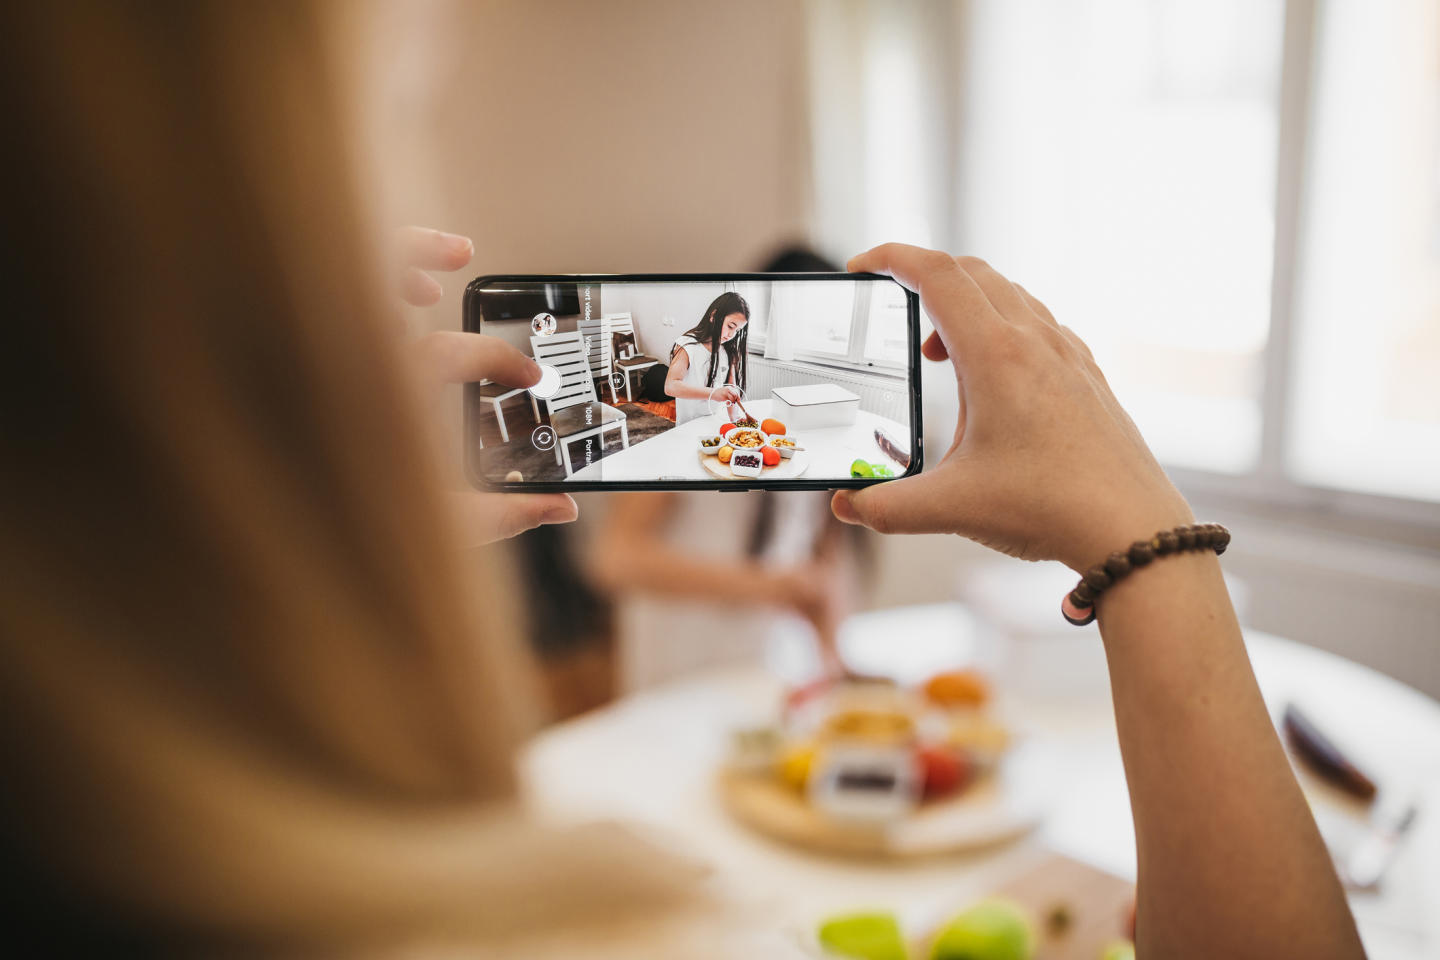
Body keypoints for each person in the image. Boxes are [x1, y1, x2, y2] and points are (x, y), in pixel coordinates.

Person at [0, 5, 1363, 960]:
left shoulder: (816, 460)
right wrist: (1141, 537)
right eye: (398, 103)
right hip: (673, 682)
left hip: (747, 703)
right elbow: (612, 566)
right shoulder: (676, 419)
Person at [665, 291, 750, 424]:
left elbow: (730, 391)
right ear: (714, 316)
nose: (731, 335)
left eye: (737, 330)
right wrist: (713, 393)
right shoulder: (687, 345)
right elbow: (670, 386)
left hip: (716, 422)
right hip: (689, 424)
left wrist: (735, 420)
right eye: (730, 326)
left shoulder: (728, 350)